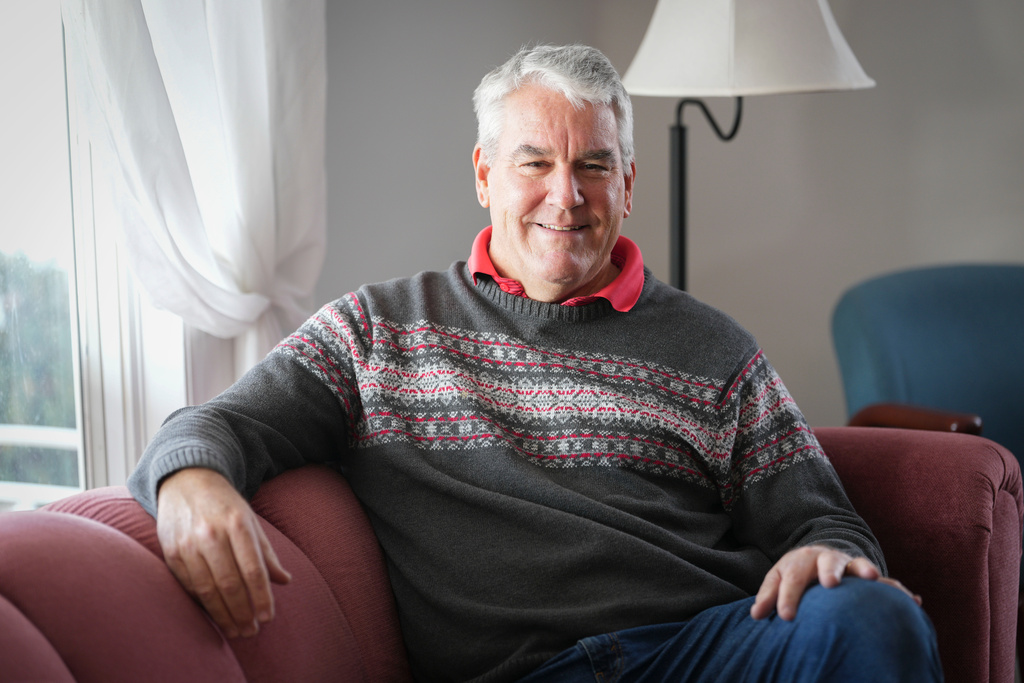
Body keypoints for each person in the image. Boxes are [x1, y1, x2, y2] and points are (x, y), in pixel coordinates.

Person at [128, 44, 942, 682]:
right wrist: (189, 479)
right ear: (485, 176)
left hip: (705, 649)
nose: (567, 195)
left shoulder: (716, 350)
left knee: (876, 616)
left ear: (628, 183)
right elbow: (224, 423)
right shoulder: (377, 330)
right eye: (534, 163)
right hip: (525, 670)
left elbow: (824, 519)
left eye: (593, 164)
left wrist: (823, 551)